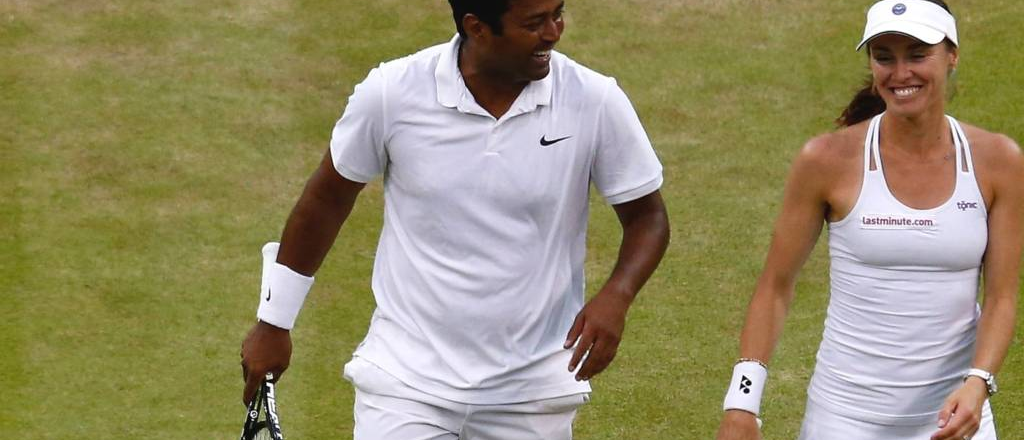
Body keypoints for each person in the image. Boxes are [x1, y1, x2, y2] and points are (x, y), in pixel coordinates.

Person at [239, 0, 670, 438]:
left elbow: (648, 218)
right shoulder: (392, 92)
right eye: (534, 23)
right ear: (477, 27)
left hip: (531, 395)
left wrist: (618, 294)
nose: (555, 32)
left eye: (558, 14)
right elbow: (326, 200)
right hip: (405, 385)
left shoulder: (594, 100)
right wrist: (274, 320)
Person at [715, 1, 1021, 439]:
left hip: (955, 424)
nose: (900, 74)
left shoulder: (999, 161)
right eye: (884, 57)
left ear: (952, 55)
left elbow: (1002, 298)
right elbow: (775, 286)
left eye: (917, 54)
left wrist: (979, 384)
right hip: (841, 422)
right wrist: (742, 402)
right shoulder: (825, 160)